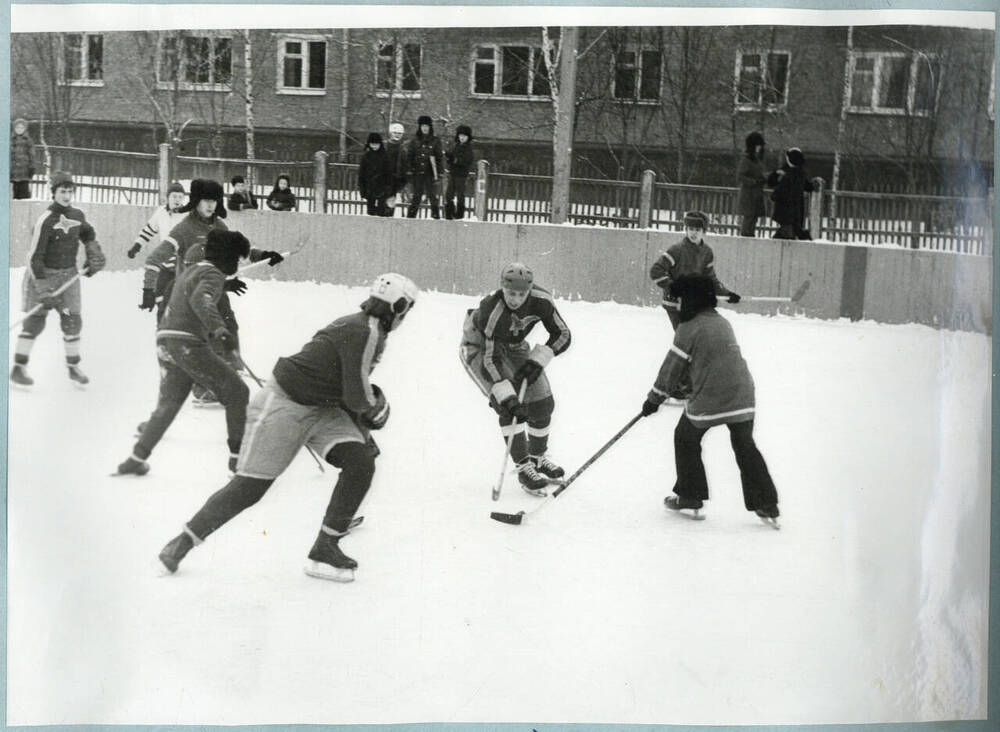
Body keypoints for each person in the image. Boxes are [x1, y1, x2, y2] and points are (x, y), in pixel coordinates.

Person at [157, 273, 420, 583]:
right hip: (285, 405)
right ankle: (182, 542)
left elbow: (348, 388)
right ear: (399, 307)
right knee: (250, 488)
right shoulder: (364, 331)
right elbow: (357, 396)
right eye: (408, 309)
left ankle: (325, 548)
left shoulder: (367, 327)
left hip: (323, 407)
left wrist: (363, 430)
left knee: (360, 461)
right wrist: (375, 412)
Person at [639, 275, 780, 527]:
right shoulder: (722, 322)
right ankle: (766, 503)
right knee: (744, 444)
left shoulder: (688, 328)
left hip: (710, 397)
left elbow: (671, 369)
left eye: (679, 299)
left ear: (690, 300)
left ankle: (689, 496)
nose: (677, 305)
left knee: (685, 437)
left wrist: (653, 400)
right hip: (743, 394)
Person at [116, 230, 254, 477]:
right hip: (188, 344)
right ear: (227, 256)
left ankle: (136, 458)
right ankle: (238, 461)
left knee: (169, 402)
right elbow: (201, 299)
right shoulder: (212, 273)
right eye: (236, 259)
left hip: (165, 340)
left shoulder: (190, 270)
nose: (236, 265)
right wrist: (221, 330)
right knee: (238, 392)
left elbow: (187, 294)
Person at [459, 262, 571, 496]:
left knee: (542, 402)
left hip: (516, 346)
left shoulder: (541, 301)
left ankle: (538, 457)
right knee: (509, 406)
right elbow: (490, 360)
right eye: (511, 293)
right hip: (480, 349)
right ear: (502, 288)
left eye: (521, 294)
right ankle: (523, 467)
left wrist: (538, 360)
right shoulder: (492, 310)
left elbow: (562, 334)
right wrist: (505, 394)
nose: (516, 299)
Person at [10, 172, 105, 386]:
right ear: (53, 193)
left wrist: (93, 252)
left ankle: (73, 367)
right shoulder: (46, 220)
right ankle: (18, 367)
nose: (67, 195)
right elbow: (34, 258)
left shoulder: (77, 215)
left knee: (72, 321)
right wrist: (43, 289)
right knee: (34, 323)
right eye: (63, 191)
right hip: (43, 275)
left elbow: (88, 234)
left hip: (69, 276)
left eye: (70, 191)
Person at [649, 210, 741, 331]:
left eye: (697, 230)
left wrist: (727, 294)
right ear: (686, 230)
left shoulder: (707, 252)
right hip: (675, 304)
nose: (693, 233)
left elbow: (710, 279)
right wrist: (673, 287)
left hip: (693, 303)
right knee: (686, 337)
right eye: (691, 229)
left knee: (696, 337)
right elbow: (656, 271)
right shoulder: (677, 250)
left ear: (704, 232)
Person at [127, 182, 186, 260]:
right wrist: (136, 247)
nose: (177, 199)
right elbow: (148, 232)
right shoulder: (161, 212)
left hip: (182, 257)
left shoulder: (188, 214)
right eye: (174, 196)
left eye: (180, 197)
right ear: (168, 197)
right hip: (166, 255)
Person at [767, 147, 815, 240]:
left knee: (786, 232)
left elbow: (780, 190)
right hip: (796, 208)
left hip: (786, 209)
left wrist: (774, 196)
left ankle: (805, 239)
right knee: (792, 230)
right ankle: (804, 238)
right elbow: (808, 186)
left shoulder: (788, 174)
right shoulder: (800, 173)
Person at [404, 115, 444, 219]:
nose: (424, 128)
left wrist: (439, 173)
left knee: (433, 197)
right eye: (422, 126)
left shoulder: (435, 141)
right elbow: (410, 157)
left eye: (426, 126)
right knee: (416, 196)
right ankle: (410, 219)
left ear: (430, 127)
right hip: (417, 173)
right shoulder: (415, 141)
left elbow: (439, 158)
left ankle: (436, 218)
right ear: (420, 127)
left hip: (430, 174)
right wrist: (409, 170)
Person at [736, 131, 767, 237]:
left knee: (754, 218)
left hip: (756, 194)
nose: (759, 148)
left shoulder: (757, 160)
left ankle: (750, 237)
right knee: (748, 218)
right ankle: (745, 238)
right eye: (758, 145)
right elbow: (741, 176)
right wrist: (754, 181)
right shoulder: (746, 159)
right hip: (749, 194)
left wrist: (764, 178)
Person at [357, 132, 394, 216]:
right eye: (372, 144)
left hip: (382, 186)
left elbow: (389, 173)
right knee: (370, 210)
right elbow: (361, 174)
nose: (374, 146)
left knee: (381, 210)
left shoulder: (385, 156)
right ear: (369, 144)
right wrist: (362, 189)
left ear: (380, 144)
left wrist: (388, 187)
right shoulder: (366, 156)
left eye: (376, 144)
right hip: (369, 186)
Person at [444, 124, 474, 220]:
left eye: (464, 136)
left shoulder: (468, 149)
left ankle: (459, 215)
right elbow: (452, 157)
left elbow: (466, 161)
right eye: (460, 135)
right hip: (453, 173)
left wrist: (454, 160)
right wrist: (448, 156)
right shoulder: (456, 146)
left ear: (468, 137)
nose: (462, 138)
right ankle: (449, 214)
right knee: (449, 195)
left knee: (460, 195)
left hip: (461, 175)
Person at [384, 122, 407, 217]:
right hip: (382, 178)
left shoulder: (403, 149)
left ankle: (388, 222)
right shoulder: (384, 146)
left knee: (390, 203)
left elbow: (405, 165)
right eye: (395, 133)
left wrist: (402, 180)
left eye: (399, 133)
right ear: (390, 133)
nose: (397, 135)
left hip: (394, 180)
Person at [10, 117, 35, 200]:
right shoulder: (10, 140)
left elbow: (32, 155)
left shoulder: (28, 140)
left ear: (25, 129)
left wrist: (32, 167)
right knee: (11, 195)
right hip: (12, 172)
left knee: (23, 196)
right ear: (14, 128)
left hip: (24, 171)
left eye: (22, 127)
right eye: (17, 127)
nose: (19, 129)